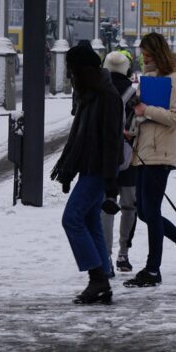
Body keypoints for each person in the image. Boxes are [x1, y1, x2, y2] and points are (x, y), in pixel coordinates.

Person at [51, 45, 124, 304]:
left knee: (72, 219)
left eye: (72, 69)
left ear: (83, 70)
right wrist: (69, 171)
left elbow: (112, 142)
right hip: (89, 168)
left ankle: (98, 279)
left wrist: (110, 187)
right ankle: (102, 278)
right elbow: (79, 138)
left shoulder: (107, 97)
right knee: (91, 221)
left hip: (99, 171)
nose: (70, 75)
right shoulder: (89, 95)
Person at [124, 32, 176, 288]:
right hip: (144, 152)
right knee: (144, 212)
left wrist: (145, 110)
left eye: (147, 55)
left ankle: (153, 269)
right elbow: (145, 116)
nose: (143, 59)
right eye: (142, 54)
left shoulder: (175, 80)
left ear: (157, 54)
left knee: (150, 211)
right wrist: (134, 124)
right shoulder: (149, 80)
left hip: (160, 154)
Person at [100, 50, 138, 275]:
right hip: (129, 156)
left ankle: (105, 256)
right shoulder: (133, 92)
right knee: (129, 206)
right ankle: (124, 252)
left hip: (104, 158)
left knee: (106, 207)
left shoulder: (99, 90)